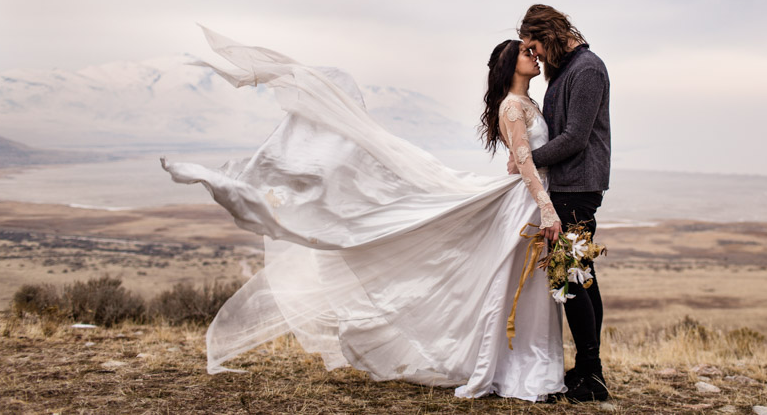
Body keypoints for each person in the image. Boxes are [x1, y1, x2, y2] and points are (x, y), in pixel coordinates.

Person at [161, 27, 566, 402]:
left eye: (533, 51)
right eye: (525, 52)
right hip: (528, 202)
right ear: (509, 65)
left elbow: (520, 162)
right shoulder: (513, 107)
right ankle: (517, 368)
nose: (533, 56)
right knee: (516, 284)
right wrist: (546, 207)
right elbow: (525, 162)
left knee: (524, 283)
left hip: (527, 196)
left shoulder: (528, 102)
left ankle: (528, 366)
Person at [509, 4, 611, 402]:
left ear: (549, 33)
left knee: (569, 277)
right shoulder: (567, 69)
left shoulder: (586, 69)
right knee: (582, 275)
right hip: (569, 184)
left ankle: (593, 374)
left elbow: (574, 138)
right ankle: (588, 370)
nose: (535, 55)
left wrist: (526, 161)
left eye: (535, 46)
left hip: (576, 186)